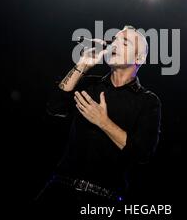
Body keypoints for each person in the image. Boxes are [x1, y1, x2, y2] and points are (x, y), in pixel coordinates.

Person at [36, 25, 161, 208]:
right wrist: (82, 65)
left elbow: (142, 153)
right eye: (114, 40)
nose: (115, 44)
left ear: (139, 58)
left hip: (103, 201)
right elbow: (54, 106)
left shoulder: (148, 101)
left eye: (124, 42)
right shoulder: (89, 84)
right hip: (59, 190)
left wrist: (103, 122)